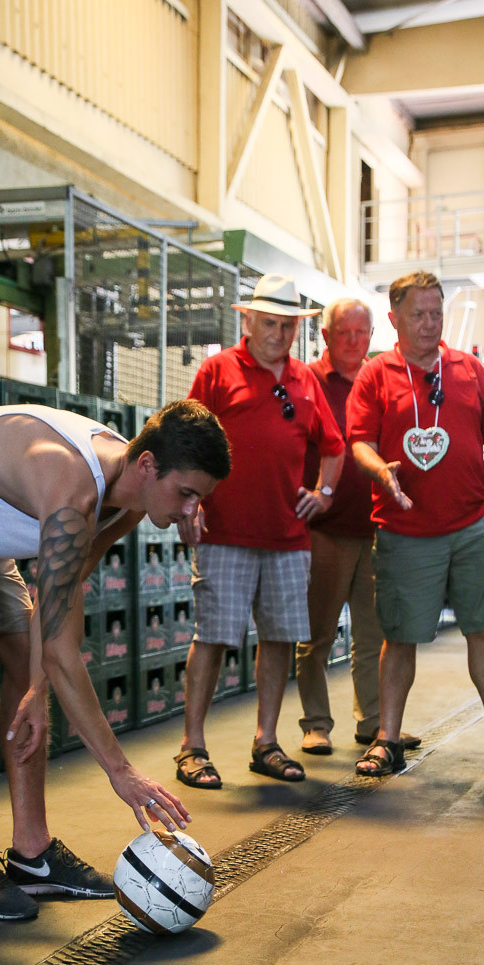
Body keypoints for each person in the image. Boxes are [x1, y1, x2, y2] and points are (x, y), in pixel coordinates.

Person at [0, 399, 231, 918]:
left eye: (200, 498)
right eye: (186, 493)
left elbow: (65, 593)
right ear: (147, 465)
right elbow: (59, 651)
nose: (192, 509)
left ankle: (31, 855)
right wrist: (120, 771)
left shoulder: (129, 500)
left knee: (24, 662)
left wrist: (35, 686)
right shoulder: (71, 487)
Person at [172, 273, 345, 789]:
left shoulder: (306, 380)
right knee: (214, 638)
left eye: (289, 325)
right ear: (247, 320)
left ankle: (265, 741)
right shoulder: (218, 369)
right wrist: (189, 503)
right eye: (270, 322)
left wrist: (324, 494)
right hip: (224, 531)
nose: (280, 334)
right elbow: (184, 439)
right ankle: (192, 747)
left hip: (289, 538)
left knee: (277, 639)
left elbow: (333, 446)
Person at [347, 271, 484, 776]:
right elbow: (359, 439)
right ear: (394, 319)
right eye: (419, 315)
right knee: (399, 636)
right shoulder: (375, 374)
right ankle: (387, 740)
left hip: (474, 523)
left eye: (436, 313)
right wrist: (377, 469)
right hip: (405, 530)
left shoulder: (471, 370)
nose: (430, 324)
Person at [295, 299, 421, 755]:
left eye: (361, 333)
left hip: (374, 529)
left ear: (372, 336)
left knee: (374, 634)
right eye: (343, 333)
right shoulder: (307, 379)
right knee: (317, 634)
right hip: (325, 529)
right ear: (326, 336)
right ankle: (316, 724)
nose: (353, 342)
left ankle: (373, 721)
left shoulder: (381, 378)